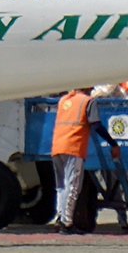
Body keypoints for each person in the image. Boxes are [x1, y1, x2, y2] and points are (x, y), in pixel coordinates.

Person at [51, 86, 93, 233]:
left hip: (57, 146)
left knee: (61, 186)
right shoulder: (87, 101)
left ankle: (59, 217)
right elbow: (97, 124)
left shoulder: (64, 99)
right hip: (74, 147)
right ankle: (67, 222)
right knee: (73, 185)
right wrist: (112, 143)